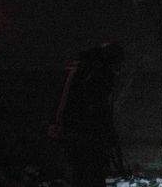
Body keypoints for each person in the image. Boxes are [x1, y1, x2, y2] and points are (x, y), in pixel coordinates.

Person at [50, 42, 125, 187]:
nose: (119, 70)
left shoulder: (83, 71)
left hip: (73, 134)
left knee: (82, 174)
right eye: (118, 65)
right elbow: (99, 111)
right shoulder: (96, 77)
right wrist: (109, 136)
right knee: (90, 174)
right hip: (82, 136)